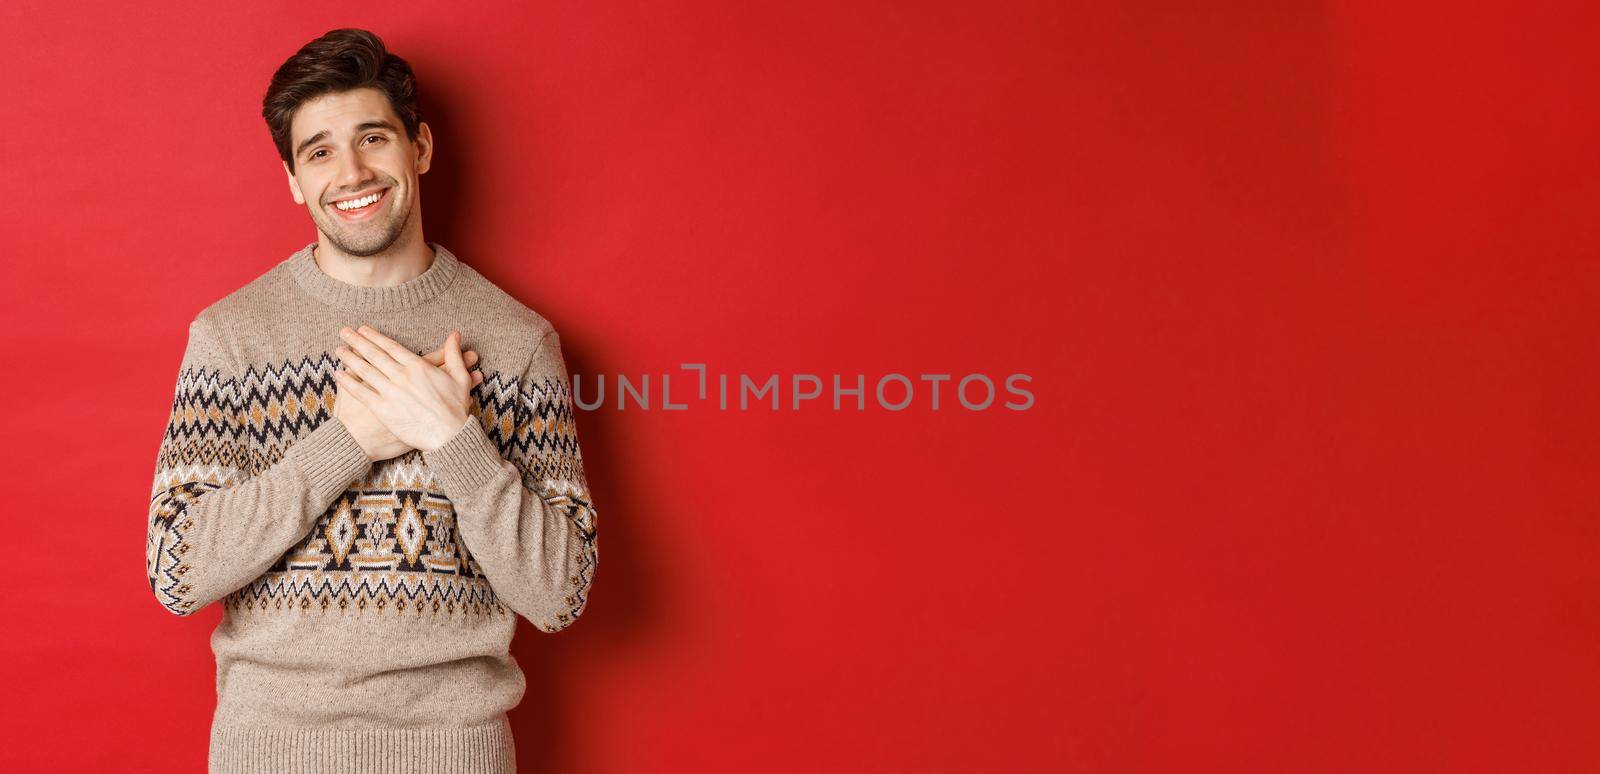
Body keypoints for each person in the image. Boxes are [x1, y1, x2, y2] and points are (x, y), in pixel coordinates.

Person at [143, 28, 598, 773]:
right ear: (293, 178)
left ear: (419, 147)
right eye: (318, 151)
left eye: (372, 138)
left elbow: (559, 595)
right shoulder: (231, 338)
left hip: (456, 754)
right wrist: (347, 440)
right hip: (268, 753)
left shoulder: (516, 343)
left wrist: (453, 438)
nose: (350, 172)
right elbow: (176, 572)